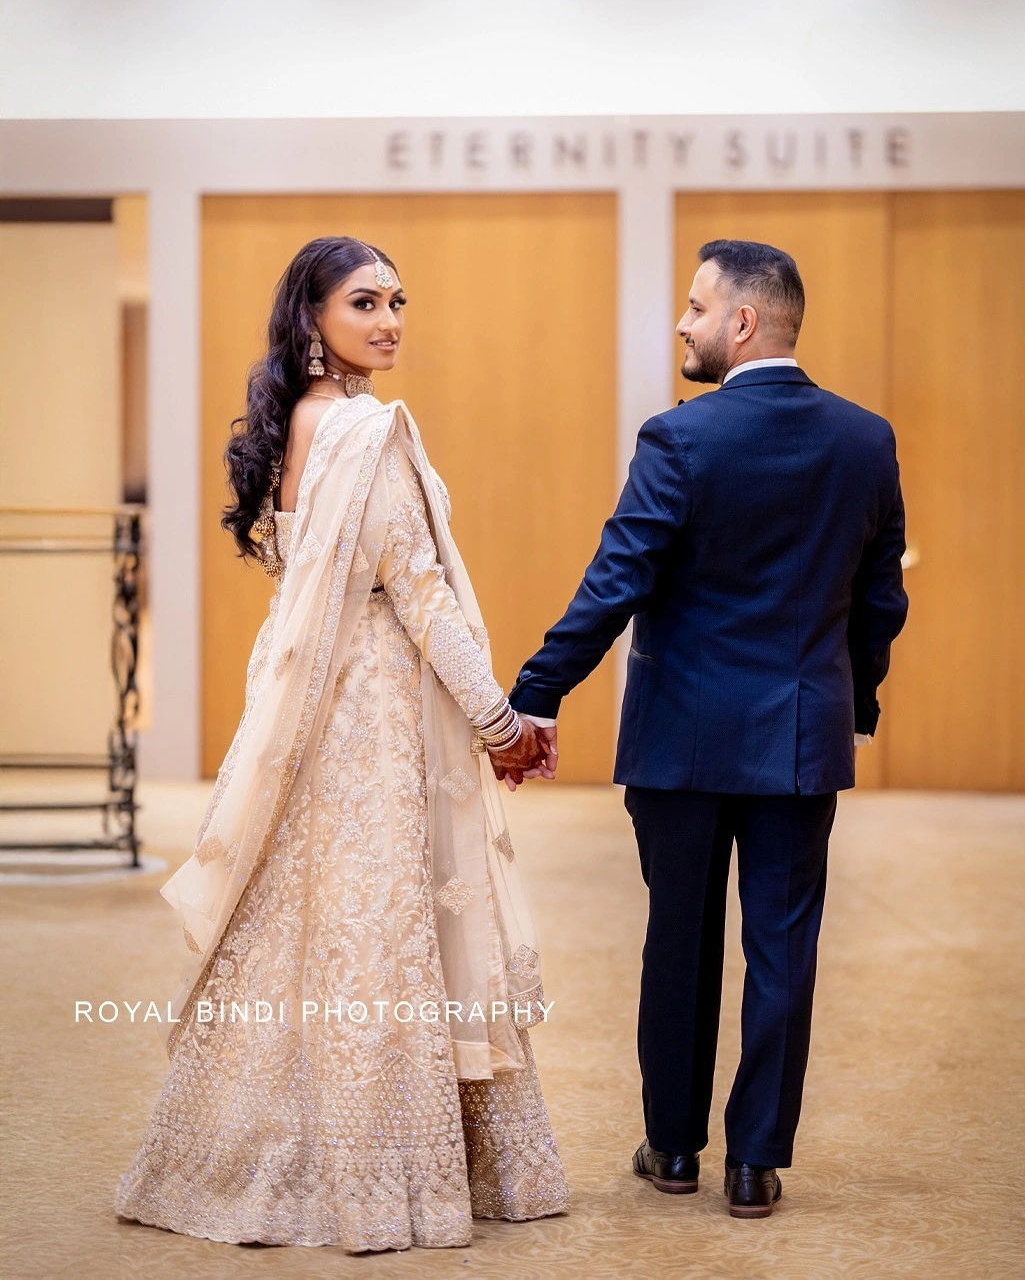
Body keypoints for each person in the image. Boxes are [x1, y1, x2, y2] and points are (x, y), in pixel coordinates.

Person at [114, 236, 568, 1253]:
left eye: (399, 300)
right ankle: (372, 1175)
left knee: (304, 924)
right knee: (378, 928)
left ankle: (242, 1149)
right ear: (312, 315)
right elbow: (420, 594)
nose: (390, 319)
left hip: (298, 693)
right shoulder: (366, 429)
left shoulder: (293, 427)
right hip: (366, 708)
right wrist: (500, 721)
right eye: (364, 302)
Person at [508, 240, 908, 1218]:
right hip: (799, 740)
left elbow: (618, 579)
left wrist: (536, 691)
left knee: (678, 939)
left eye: (694, 307)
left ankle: (675, 1147)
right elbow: (880, 599)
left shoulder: (680, 440)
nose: (681, 324)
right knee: (782, 946)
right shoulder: (866, 439)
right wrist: (850, 707)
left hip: (681, 741)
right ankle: (756, 1161)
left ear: (741, 323)